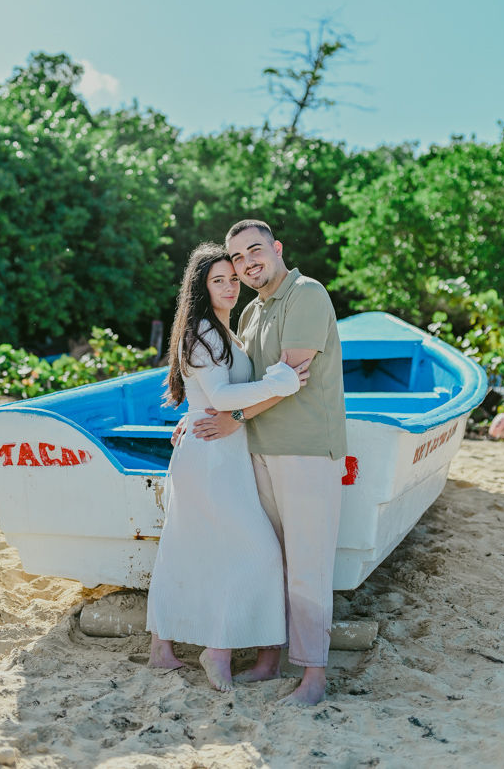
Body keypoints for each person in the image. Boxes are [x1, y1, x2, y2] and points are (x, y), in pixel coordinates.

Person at [192, 219, 347, 706]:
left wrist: (233, 417)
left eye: (255, 251)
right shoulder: (251, 312)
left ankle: (314, 677)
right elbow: (243, 382)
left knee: (308, 564)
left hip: (304, 450)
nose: (247, 263)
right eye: (237, 258)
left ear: (277, 248)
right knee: (270, 560)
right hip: (260, 450)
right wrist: (202, 414)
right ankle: (268, 658)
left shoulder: (306, 294)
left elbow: (289, 378)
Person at [146, 242, 310, 692]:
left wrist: (195, 412)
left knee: (187, 548)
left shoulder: (222, 330)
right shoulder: (204, 332)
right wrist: (283, 380)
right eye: (218, 280)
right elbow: (219, 398)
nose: (229, 286)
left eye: (233, 278)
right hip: (210, 458)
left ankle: (161, 648)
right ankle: (216, 652)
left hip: (218, 452)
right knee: (256, 550)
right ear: (200, 287)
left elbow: (208, 394)